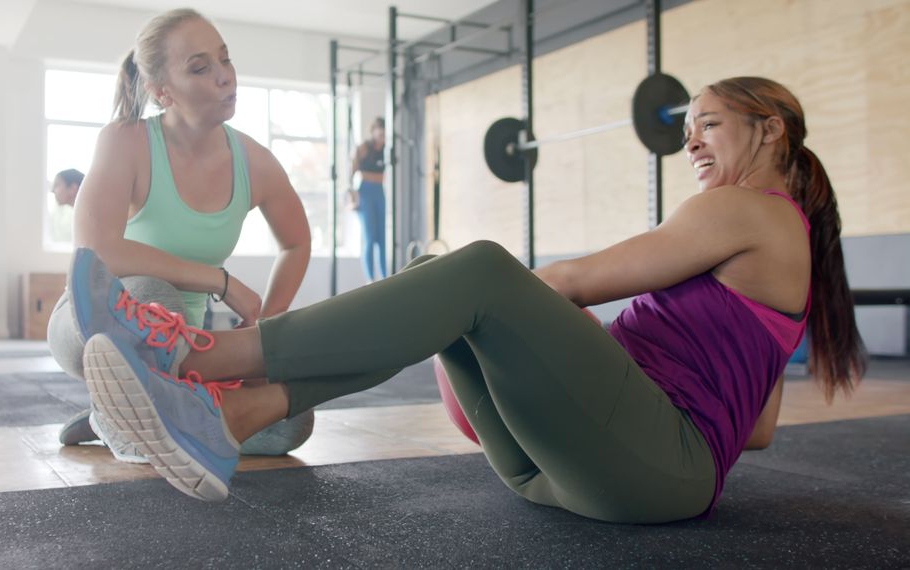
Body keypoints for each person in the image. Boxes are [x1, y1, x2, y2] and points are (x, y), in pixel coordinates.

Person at [68, 76, 866, 523]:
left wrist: (489, 308)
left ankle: (202, 354)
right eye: (688, 127)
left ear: (770, 134)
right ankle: (233, 418)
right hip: (582, 475)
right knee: (460, 296)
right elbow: (755, 431)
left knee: (478, 272)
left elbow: (573, 282)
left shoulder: (746, 209)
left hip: (641, 475)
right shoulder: (785, 246)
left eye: (710, 125)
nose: (690, 141)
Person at [48, 8, 315, 460]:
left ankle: (128, 411)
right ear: (161, 91)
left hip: (187, 350)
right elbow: (97, 250)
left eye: (225, 60)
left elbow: (296, 242)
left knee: (290, 423)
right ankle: (136, 411)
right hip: (88, 325)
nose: (225, 77)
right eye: (200, 67)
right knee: (155, 301)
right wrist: (219, 280)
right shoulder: (125, 140)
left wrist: (265, 325)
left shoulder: (255, 161)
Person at [350, 117, 388, 282]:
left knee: (382, 238)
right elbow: (351, 170)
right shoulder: (364, 148)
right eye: (379, 132)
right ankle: (370, 279)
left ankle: (386, 277)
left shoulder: (387, 148)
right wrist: (352, 194)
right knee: (370, 237)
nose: (382, 136)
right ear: (374, 131)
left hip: (380, 191)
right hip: (365, 192)